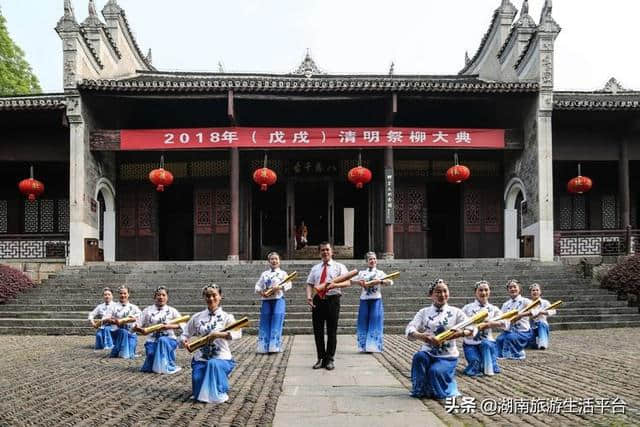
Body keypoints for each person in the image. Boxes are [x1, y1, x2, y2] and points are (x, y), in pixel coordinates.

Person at [406, 279, 476, 399]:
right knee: (419, 357)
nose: (442, 295)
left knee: (435, 371)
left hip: (447, 356)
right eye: (438, 292)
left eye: (445, 291)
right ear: (430, 295)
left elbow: (473, 328)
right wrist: (421, 336)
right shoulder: (423, 312)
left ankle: (438, 389)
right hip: (428, 352)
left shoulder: (456, 312)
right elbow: (410, 328)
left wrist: (460, 333)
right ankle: (419, 389)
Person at [182, 284, 240, 404]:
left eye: (214, 295)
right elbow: (185, 333)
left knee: (213, 364)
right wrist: (184, 341)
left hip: (221, 357)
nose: (211, 299)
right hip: (201, 357)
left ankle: (220, 385)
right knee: (198, 388)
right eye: (208, 296)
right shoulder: (197, 317)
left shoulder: (227, 317)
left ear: (220, 297)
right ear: (204, 297)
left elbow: (237, 333)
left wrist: (218, 335)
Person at [305, 242, 349, 370]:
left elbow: (348, 282)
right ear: (319, 253)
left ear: (332, 251)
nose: (325, 252)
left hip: (333, 300)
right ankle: (320, 358)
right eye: (322, 250)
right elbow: (309, 284)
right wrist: (309, 296)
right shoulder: (315, 268)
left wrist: (335, 285)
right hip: (318, 300)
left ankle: (330, 359)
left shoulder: (339, 267)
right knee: (318, 331)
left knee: (331, 331)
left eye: (327, 250)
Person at [133, 286, 184, 374]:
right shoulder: (147, 310)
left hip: (169, 339)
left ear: (167, 297)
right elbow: (137, 324)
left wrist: (169, 326)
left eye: (163, 295)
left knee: (162, 340)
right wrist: (139, 328)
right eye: (158, 295)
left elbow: (182, 325)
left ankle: (169, 363)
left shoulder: (172, 311)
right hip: (152, 340)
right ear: (154, 297)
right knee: (151, 358)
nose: (161, 297)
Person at [461, 281, 508, 377]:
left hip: (487, 342)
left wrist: (490, 324)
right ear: (475, 292)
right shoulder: (467, 308)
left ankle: (489, 365)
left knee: (485, 344)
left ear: (489, 292)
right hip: (471, 343)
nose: (483, 293)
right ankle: (481, 363)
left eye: (486, 290)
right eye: (480, 290)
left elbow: (505, 322)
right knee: (475, 363)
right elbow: (460, 323)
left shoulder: (493, 308)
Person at [353, 251, 393, 353]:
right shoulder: (362, 273)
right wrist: (359, 282)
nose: (373, 261)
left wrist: (380, 281)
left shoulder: (380, 273)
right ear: (367, 261)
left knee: (375, 322)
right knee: (363, 322)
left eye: (374, 259)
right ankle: (362, 346)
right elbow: (352, 280)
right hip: (364, 300)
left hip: (376, 300)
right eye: (370, 259)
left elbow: (390, 281)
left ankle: (373, 346)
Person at [255, 251, 290, 353]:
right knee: (264, 321)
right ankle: (263, 346)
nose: (274, 261)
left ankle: (274, 346)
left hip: (278, 299)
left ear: (279, 261)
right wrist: (261, 292)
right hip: (266, 300)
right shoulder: (264, 274)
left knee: (277, 321)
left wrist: (280, 287)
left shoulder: (283, 273)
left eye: (276, 259)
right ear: (268, 261)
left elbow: (289, 284)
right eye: (272, 259)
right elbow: (257, 285)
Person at [495, 279, 534, 360]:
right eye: (510, 288)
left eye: (514, 287)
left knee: (509, 337)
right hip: (510, 330)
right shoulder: (506, 304)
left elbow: (535, 310)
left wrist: (521, 315)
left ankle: (517, 354)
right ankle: (500, 354)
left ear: (519, 289)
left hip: (523, 331)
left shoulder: (525, 301)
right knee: (499, 339)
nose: (512, 289)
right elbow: (501, 317)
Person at [105, 286, 141, 359]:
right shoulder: (113, 306)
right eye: (121, 293)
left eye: (125, 293)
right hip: (118, 332)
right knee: (123, 331)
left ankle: (124, 350)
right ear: (118, 294)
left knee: (131, 355)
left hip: (131, 333)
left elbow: (141, 317)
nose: (123, 295)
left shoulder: (134, 307)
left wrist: (133, 319)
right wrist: (114, 321)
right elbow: (106, 319)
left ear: (128, 294)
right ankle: (116, 350)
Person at [527, 283, 557, 350]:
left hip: (542, 324)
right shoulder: (528, 303)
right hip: (531, 325)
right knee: (531, 345)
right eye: (533, 290)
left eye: (537, 290)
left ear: (540, 292)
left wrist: (542, 312)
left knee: (541, 324)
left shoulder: (545, 302)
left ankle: (543, 344)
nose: (535, 292)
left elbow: (553, 311)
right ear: (530, 293)